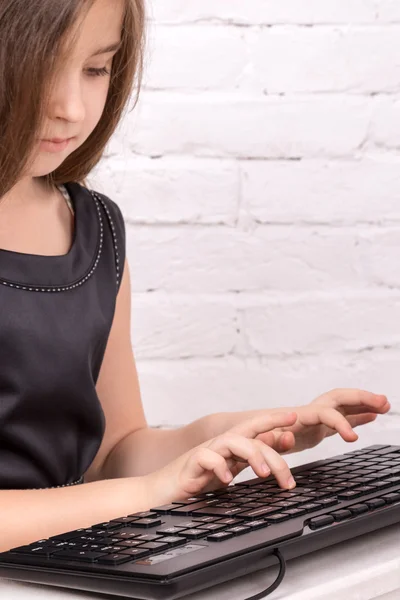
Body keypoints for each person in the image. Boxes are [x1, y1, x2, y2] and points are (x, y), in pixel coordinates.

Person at [0, 0, 391, 554]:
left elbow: (116, 453)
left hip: (65, 569)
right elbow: (133, 487)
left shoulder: (95, 228)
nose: (69, 107)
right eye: (39, 67)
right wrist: (150, 491)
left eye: (95, 69)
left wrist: (233, 435)